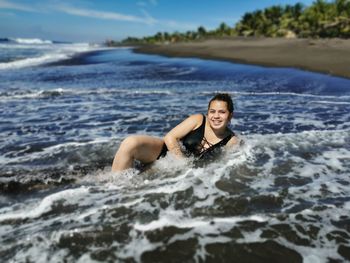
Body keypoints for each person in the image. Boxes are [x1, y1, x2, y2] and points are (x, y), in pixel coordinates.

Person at [111, 93, 239, 172]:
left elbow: (221, 166)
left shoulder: (231, 140)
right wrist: (182, 162)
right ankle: (114, 187)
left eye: (222, 112)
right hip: (162, 152)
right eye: (212, 111)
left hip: (176, 172)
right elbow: (170, 137)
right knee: (130, 142)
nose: (216, 116)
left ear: (230, 116)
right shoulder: (198, 120)